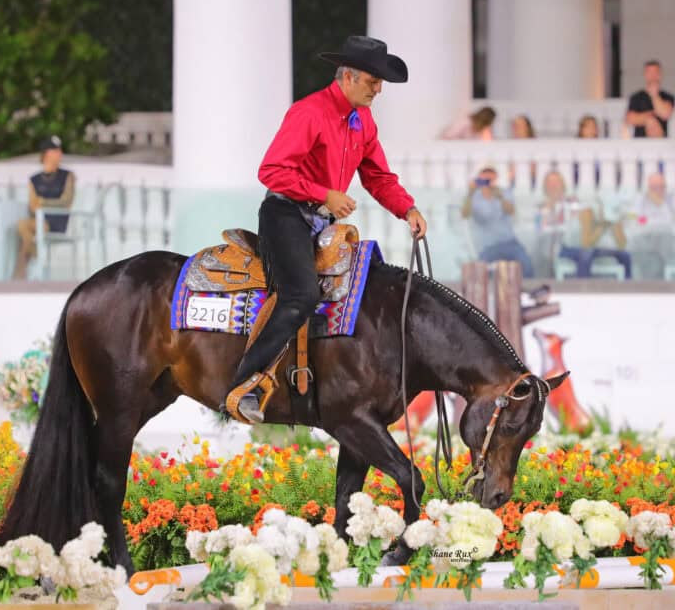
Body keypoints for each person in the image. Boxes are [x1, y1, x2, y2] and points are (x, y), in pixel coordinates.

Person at [226, 35, 427, 423]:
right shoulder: (309, 112)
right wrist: (325, 194)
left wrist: (408, 208)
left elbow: (378, 176)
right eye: (372, 80)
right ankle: (244, 384)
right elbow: (271, 171)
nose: (378, 88)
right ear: (348, 77)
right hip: (285, 215)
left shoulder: (362, 120)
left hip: (319, 220)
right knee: (300, 295)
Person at [539, 171, 631, 279]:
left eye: (556, 183)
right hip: (564, 246)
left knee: (624, 255)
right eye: (550, 183)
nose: (553, 186)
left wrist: (611, 222)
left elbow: (621, 244)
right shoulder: (541, 207)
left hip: (586, 245)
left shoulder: (575, 204)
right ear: (545, 186)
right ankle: (583, 291)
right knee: (586, 254)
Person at [13, 136, 76, 279]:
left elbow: (66, 201)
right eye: (55, 151)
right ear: (46, 154)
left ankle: (21, 274)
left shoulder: (67, 176)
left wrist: (42, 202)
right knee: (24, 236)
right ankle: (30, 265)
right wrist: (39, 205)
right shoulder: (34, 180)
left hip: (56, 221)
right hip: (39, 222)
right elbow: (32, 205)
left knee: (24, 231)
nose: (59, 154)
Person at [462, 166, 534, 277]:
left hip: (509, 242)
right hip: (487, 246)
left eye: (490, 180)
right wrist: (470, 193)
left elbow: (511, 211)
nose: (487, 183)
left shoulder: (503, 193)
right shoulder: (474, 197)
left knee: (526, 263)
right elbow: (464, 214)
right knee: (480, 273)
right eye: (484, 180)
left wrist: (499, 196)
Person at [626, 60, 674, 138]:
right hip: (640, 142)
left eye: (655, 72)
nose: (652, 76)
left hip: (662, 142)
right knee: (651, 122)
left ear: (660, 75)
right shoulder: (636, 97)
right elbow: (630, 119)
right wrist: (649, 118)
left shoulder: (667, 96)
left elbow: (665, 114)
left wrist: (654, 96)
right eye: (649, 72)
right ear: (645, 74)